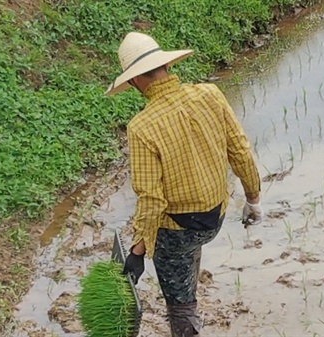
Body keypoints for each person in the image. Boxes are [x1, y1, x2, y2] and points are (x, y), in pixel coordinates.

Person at [105, 32, 264, 337]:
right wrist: (253, 200)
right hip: (214, 217)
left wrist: (138, 251)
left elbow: (151, 199)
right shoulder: (210, 94)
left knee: (179, 302)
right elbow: (240, 150)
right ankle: (187, 279)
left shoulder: (141, 127)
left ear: (136, 80)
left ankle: (185, 317)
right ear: (164, 66)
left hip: (179, 230)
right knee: (189, 246)